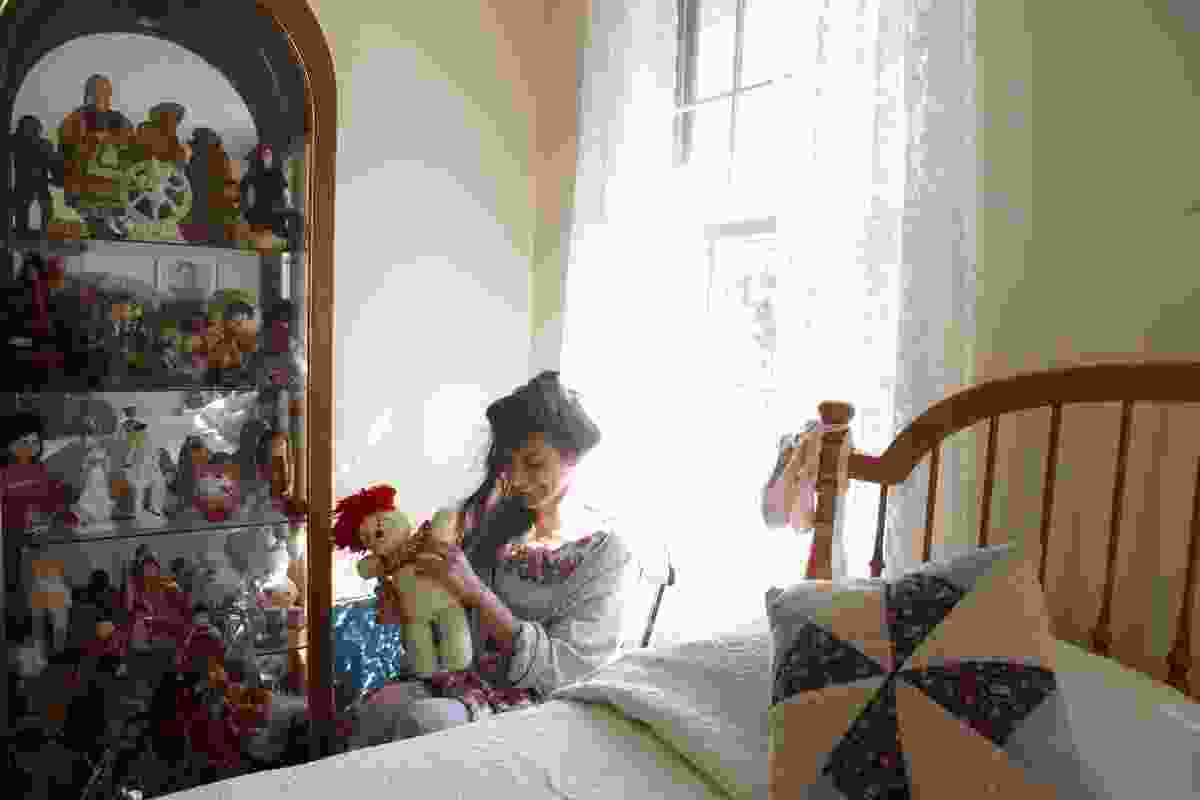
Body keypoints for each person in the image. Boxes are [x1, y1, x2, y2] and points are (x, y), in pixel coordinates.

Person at [347, 371, 632, 748]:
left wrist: (478, 594)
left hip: (544, 701)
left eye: (534, 463)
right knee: (375, 710)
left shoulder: (606, 553)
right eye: (509, 464)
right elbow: (454, 624)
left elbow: (569, 672)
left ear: (573, 456)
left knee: (425, 723)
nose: (518, 480)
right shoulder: (497, 522)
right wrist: (408, 607)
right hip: (469, 677)